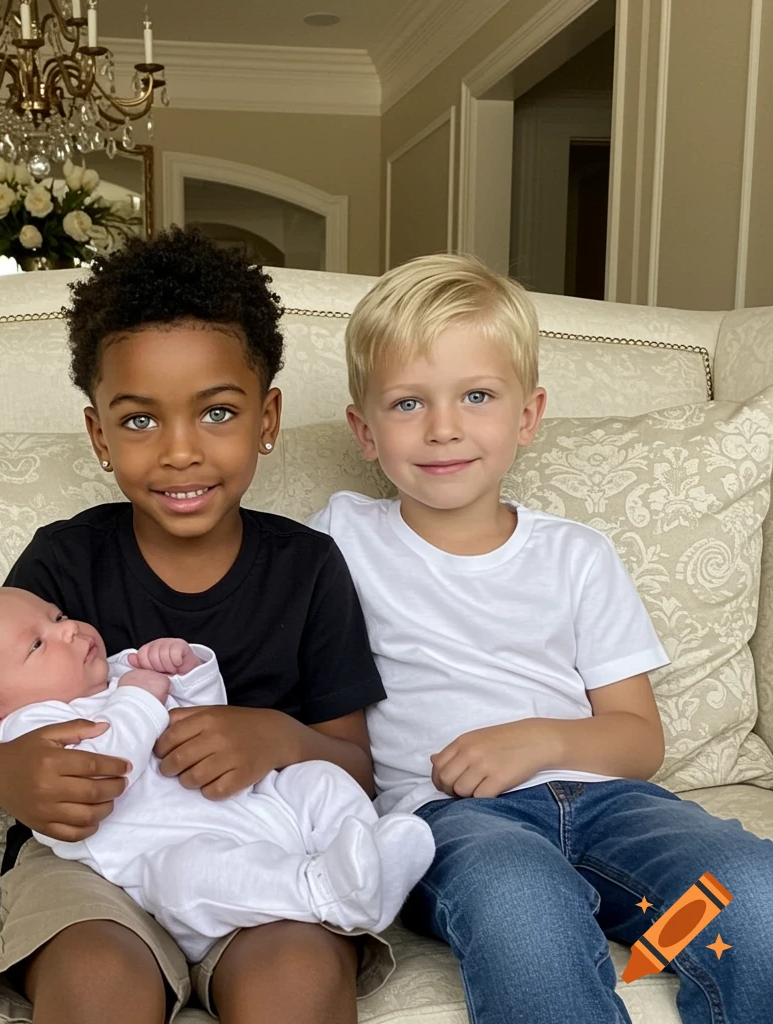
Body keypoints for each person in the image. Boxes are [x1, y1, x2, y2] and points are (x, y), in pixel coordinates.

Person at [0, 227, 398, 1024]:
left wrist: (276, 737)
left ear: (267, 418)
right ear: (100, 435)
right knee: (94, 979)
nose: (180, 451)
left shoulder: (308, 568)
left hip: (261, 850)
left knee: (297, 976)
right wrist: (5, 776)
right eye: (140, 421)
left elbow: (355, 767)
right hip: (92, 866)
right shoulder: (63, 563)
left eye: (217, 412)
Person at [309, 253, 773, 1024]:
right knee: (526, 907)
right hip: (451, 820)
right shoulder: (341, 538)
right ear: (365, 430)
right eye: (408, 403)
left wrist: (537, 740)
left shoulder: (576, 555)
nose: (444, 427)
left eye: (477, 396)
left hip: (613, 810)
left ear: (527, 416)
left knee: (749, 891)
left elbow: (639, 740)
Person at [0, 588, 435, 963]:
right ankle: (325, 890)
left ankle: (364, 852)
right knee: (189, 874)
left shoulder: (115, 677)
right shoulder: (31, 729)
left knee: (319, 779)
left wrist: (188, 674)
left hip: (253, 807)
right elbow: (111, 765)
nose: (69, 631)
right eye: (37, 644)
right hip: (171, 857)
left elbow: (207, 727)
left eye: (56, 617)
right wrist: (139, 696)